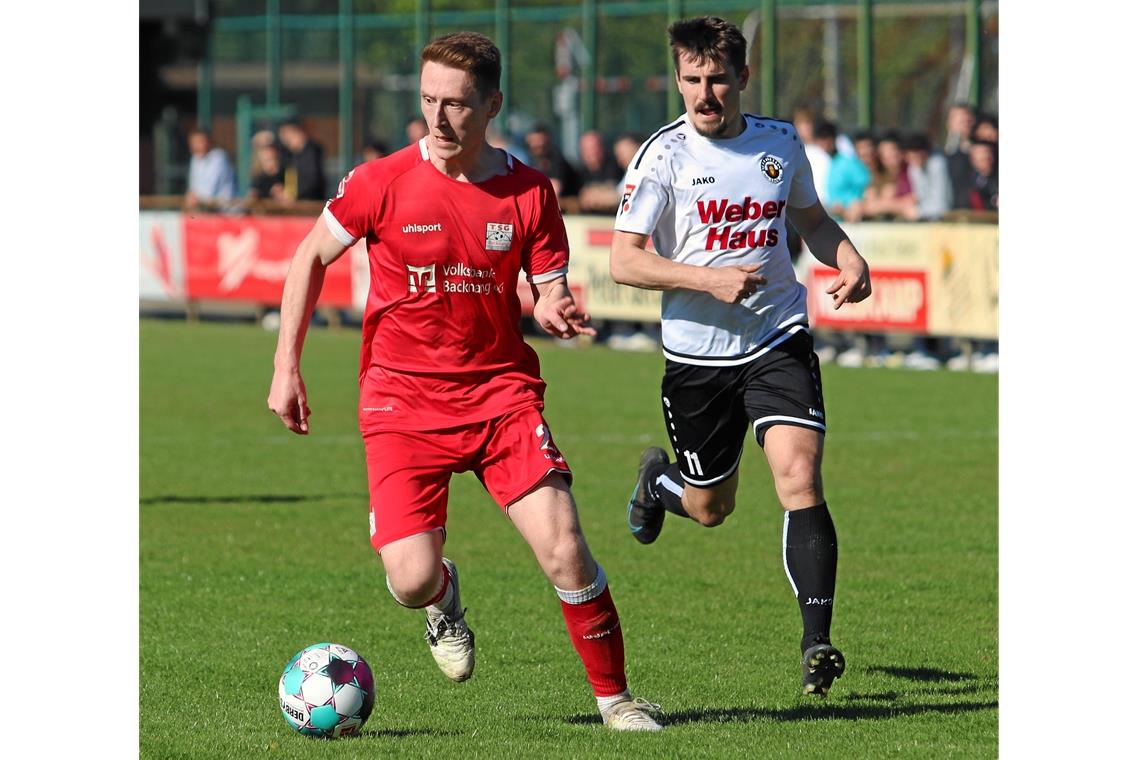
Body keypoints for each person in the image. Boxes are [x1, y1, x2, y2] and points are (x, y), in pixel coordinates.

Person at [266, 31, 662, 732]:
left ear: (492, 104)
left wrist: (555, 307)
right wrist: (286, 366)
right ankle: (444, 601)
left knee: (566, 548)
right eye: (428, 101)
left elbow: (544, 290)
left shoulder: (528, 192)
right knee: (412, 578)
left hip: (500, 396)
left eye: (457, 104)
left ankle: (617, 701)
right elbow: (308, 258)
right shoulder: (379, 182)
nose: (439, 119)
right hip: (400, 400)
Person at [609, 16, 872, 698]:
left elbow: (811, 220)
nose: (705, 93)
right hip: (698, 361)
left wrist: (847, 257)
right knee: (709, 509)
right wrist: (707, 278)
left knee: (799, 474)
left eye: (717, 78)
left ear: (743, 78)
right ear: (678, 80)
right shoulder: (662, 157)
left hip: (777, 338)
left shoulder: (779, 144)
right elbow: (624, 263)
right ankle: (657, 487)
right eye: (691, 79)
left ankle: (818, 645)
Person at [524, 123, 582, 199]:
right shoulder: (530, 160)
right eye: (534, 141)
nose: (538, 144)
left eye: (541, 141)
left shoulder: (557, 161)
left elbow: (554, 190)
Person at [184, 128, 236, 209]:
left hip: (227, 212)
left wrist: (195, 198)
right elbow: (193, 187)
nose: (198, 145)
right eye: (194, 142)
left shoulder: (219, 157)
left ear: (209, 142)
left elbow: (210, 190)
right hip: (208, 210)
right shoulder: (195, 159)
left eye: (201, 141)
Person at [278, 118, 328, 201]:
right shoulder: (288, 153)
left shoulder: (312, 150)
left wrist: (294, 194)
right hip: (293, 202)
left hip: (310, 202)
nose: (283, 137)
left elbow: (312, 180)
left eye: (285, 133)